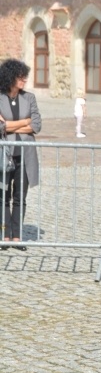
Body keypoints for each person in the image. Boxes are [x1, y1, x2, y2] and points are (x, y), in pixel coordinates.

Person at [0, 59, 41, 252]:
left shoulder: (29, 98)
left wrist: (8, 125)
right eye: (20, 76)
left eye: (25, 75)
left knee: (19, 196)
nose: (24, 79)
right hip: (4, 155)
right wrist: (23, 122)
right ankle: (4, 235)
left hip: (25, 154)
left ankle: (17, 236)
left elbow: (37, 125)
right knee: (2, 196)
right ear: (10, 77)